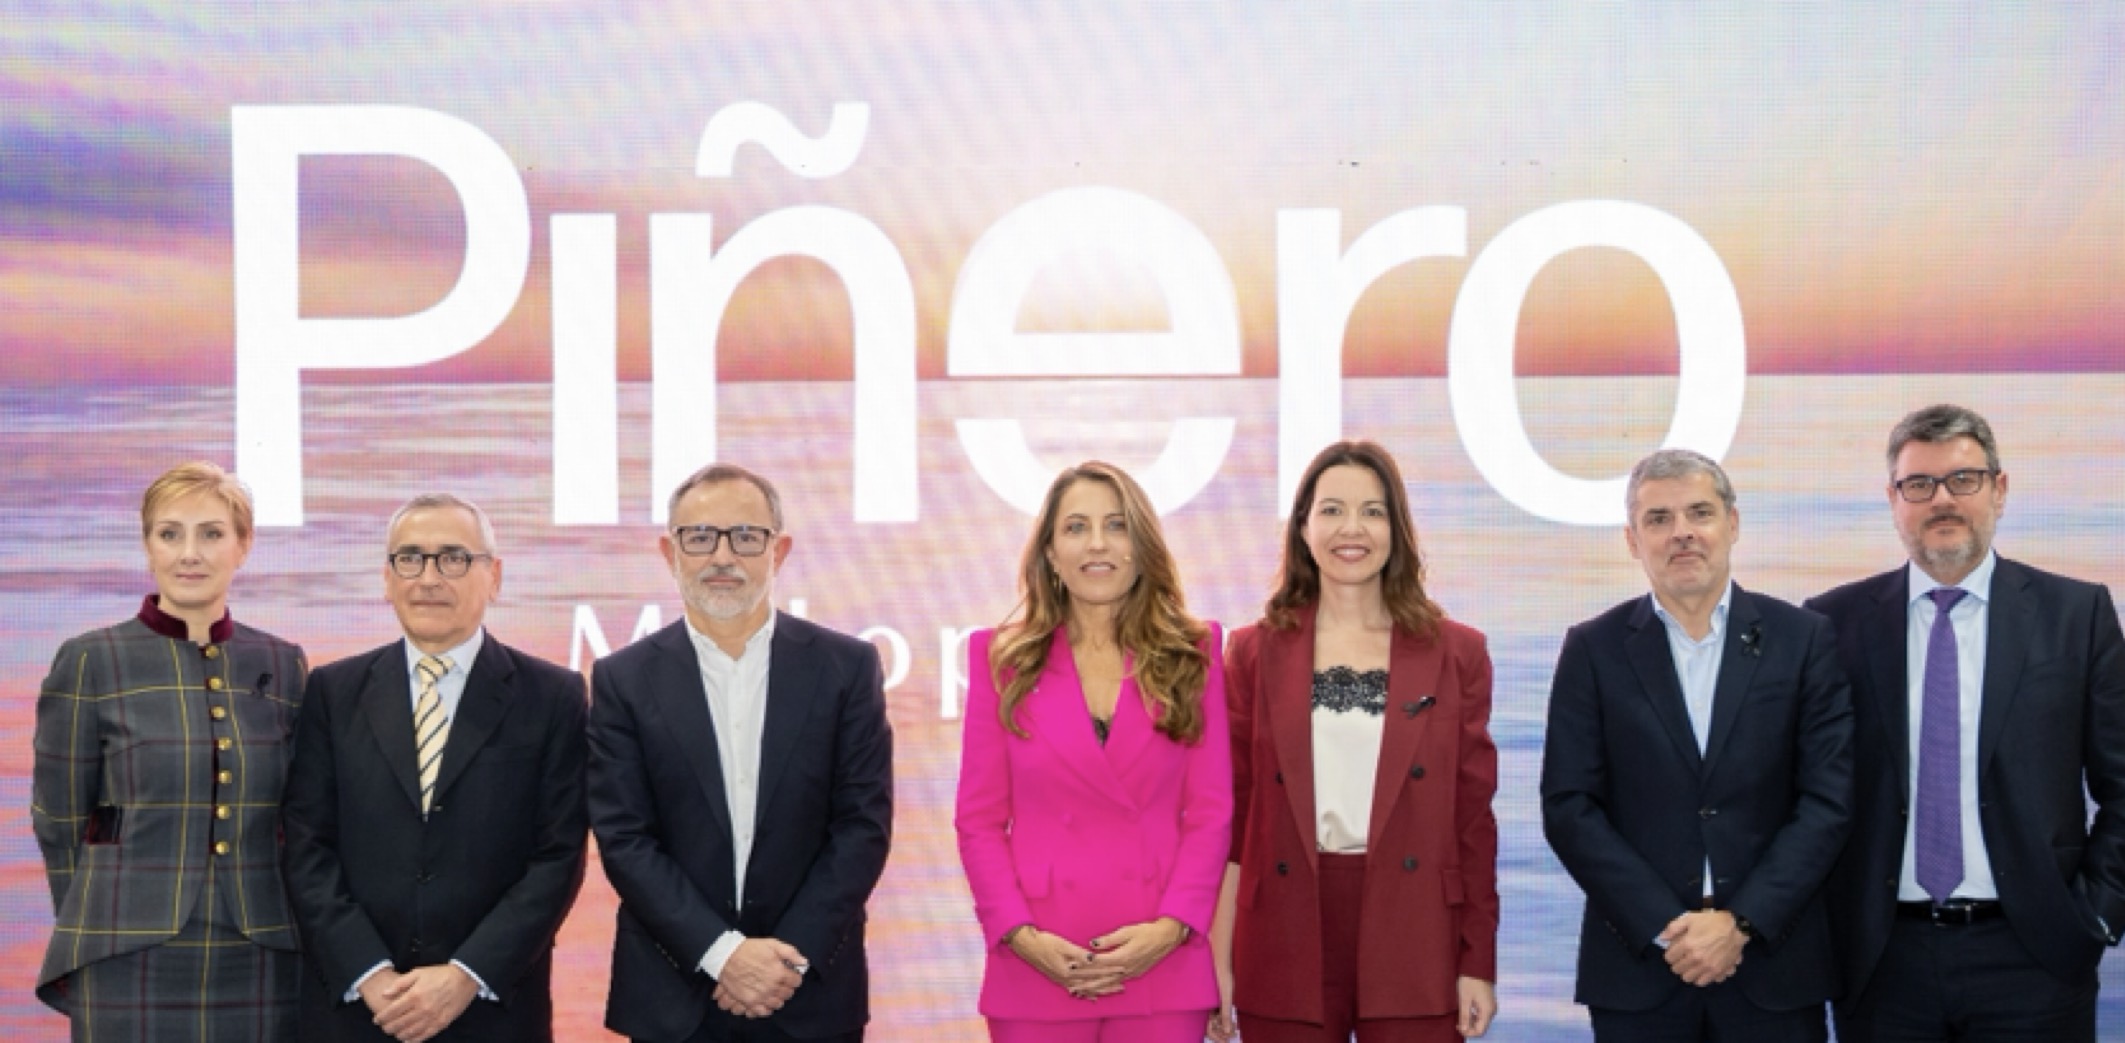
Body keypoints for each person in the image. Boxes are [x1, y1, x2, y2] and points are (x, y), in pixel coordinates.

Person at [1805, 404, 2125, 1042]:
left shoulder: (2076, 615)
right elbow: (1810, 789)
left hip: (2036, 956)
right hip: (1882, 963)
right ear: (1893, 500)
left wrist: (2097, 914)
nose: (1942, 500)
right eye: (1919, 484)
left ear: (1999, 490)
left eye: (1963, 480)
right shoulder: (1832, 624)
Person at [1540, 448, 1854, 1042]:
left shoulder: (1802, 639)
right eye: (1658, 519)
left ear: (1732, 524)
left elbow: (1827, 801)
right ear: (1633, 540)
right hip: (1641, 969)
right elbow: (1569, 807)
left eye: (1699, 513)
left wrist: (1741, 922)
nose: (1681, 532)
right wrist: (1666, 925)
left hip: (1772, 966)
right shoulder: (1592, 650)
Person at [589, 463, 893, 1043]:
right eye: (700, 537)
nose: (722, 556)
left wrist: (785, 959)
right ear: (669, 552)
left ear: (779, 551)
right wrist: (722, 954)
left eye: (746, 537)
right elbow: (625, 839)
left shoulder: (846, 668)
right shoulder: (623, 679)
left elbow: (862, 826)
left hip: (808, 995)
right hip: (674, 999)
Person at [1210, 440, 1499, 1043]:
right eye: (1332, 510)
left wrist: (1477, 962)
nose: (1352, 529)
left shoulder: (1457, 652)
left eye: (1372, 511)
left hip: (1415, 930)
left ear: (1397, 529)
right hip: (1284, 930)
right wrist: (1218, 957)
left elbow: (1472, 822)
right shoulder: (1252, 653)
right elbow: (1232, 820)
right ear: (1303, 527)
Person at [281, 493, 588, 1042]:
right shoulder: (332, 691)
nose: (428, 578)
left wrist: (466, 976)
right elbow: (307, 846)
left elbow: (558, 856)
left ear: (494, 576)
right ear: (387, 577)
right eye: (410, 558)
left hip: (492, 1013)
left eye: (453, 558)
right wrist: (370, 975)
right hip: (357, 1012)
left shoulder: (553, 696)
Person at [32, 461, 309, 1041]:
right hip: (125, 950)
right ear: (148, 546)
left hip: (260, 948)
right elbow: (59, 820)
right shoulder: (92, 659)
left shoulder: (283, 664)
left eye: (211, 533)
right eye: (170, 533)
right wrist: (95, 918)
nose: (190, 553)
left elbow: (299, 815)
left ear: (243, 546)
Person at [955, 460, 1231, 1042]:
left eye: (1116, 525)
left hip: (1161, 960)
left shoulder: (1194, 651)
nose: (1097, 543)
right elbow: (978, 820)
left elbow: (1210, 813)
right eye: (1076, 527)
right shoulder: (1000, 660)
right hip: (1039, 961)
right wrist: (1021, 936)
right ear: (1050, 554)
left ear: (1141, 546)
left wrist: (1173, 927)